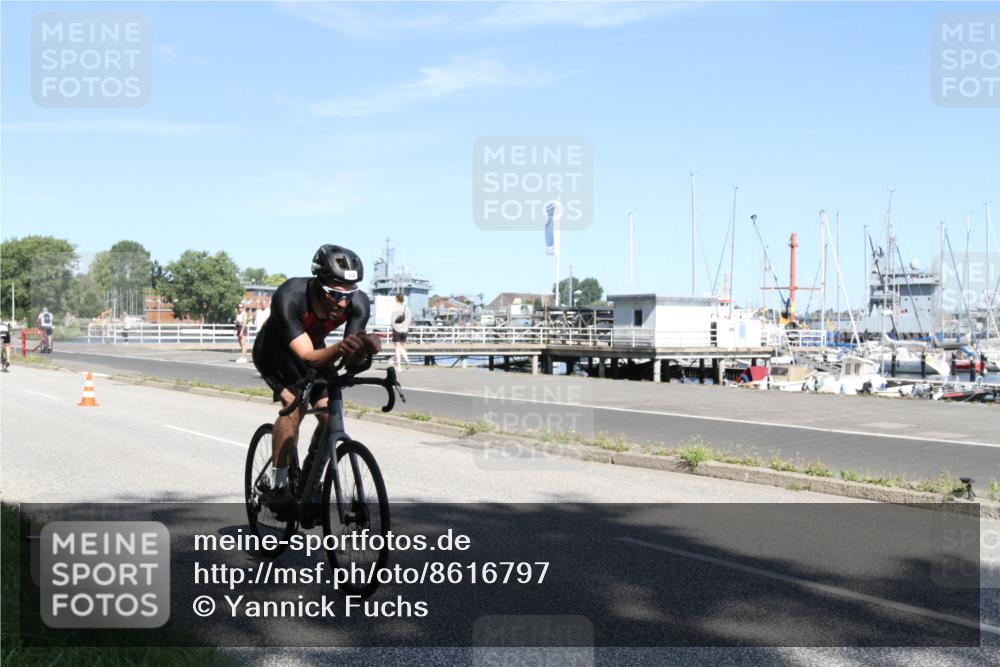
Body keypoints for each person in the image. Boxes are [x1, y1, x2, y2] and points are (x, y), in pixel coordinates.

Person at [252, 244, 381, 511]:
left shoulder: (357, 304)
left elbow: (348, 357)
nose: (343, 302)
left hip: (316, 349)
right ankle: (279, 485)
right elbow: (308, 357)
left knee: (328, 413)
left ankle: (309, 481)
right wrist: (339, 349)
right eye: (335, 294)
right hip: (275, 352)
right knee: (294, 404)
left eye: (349, 294)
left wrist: (364, 350)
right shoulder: (289, 296)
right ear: (319, 284)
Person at [390, 293, 411, 370]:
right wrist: (406, 327)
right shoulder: (407, 308)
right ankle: (406, 360)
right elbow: (409, 319)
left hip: (397, 329)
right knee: (402, 347)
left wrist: (393, 326)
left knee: (397, 348)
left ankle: (399, 366)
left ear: (397, 299)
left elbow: (392, 320)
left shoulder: (395, 308)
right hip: (405, 330)